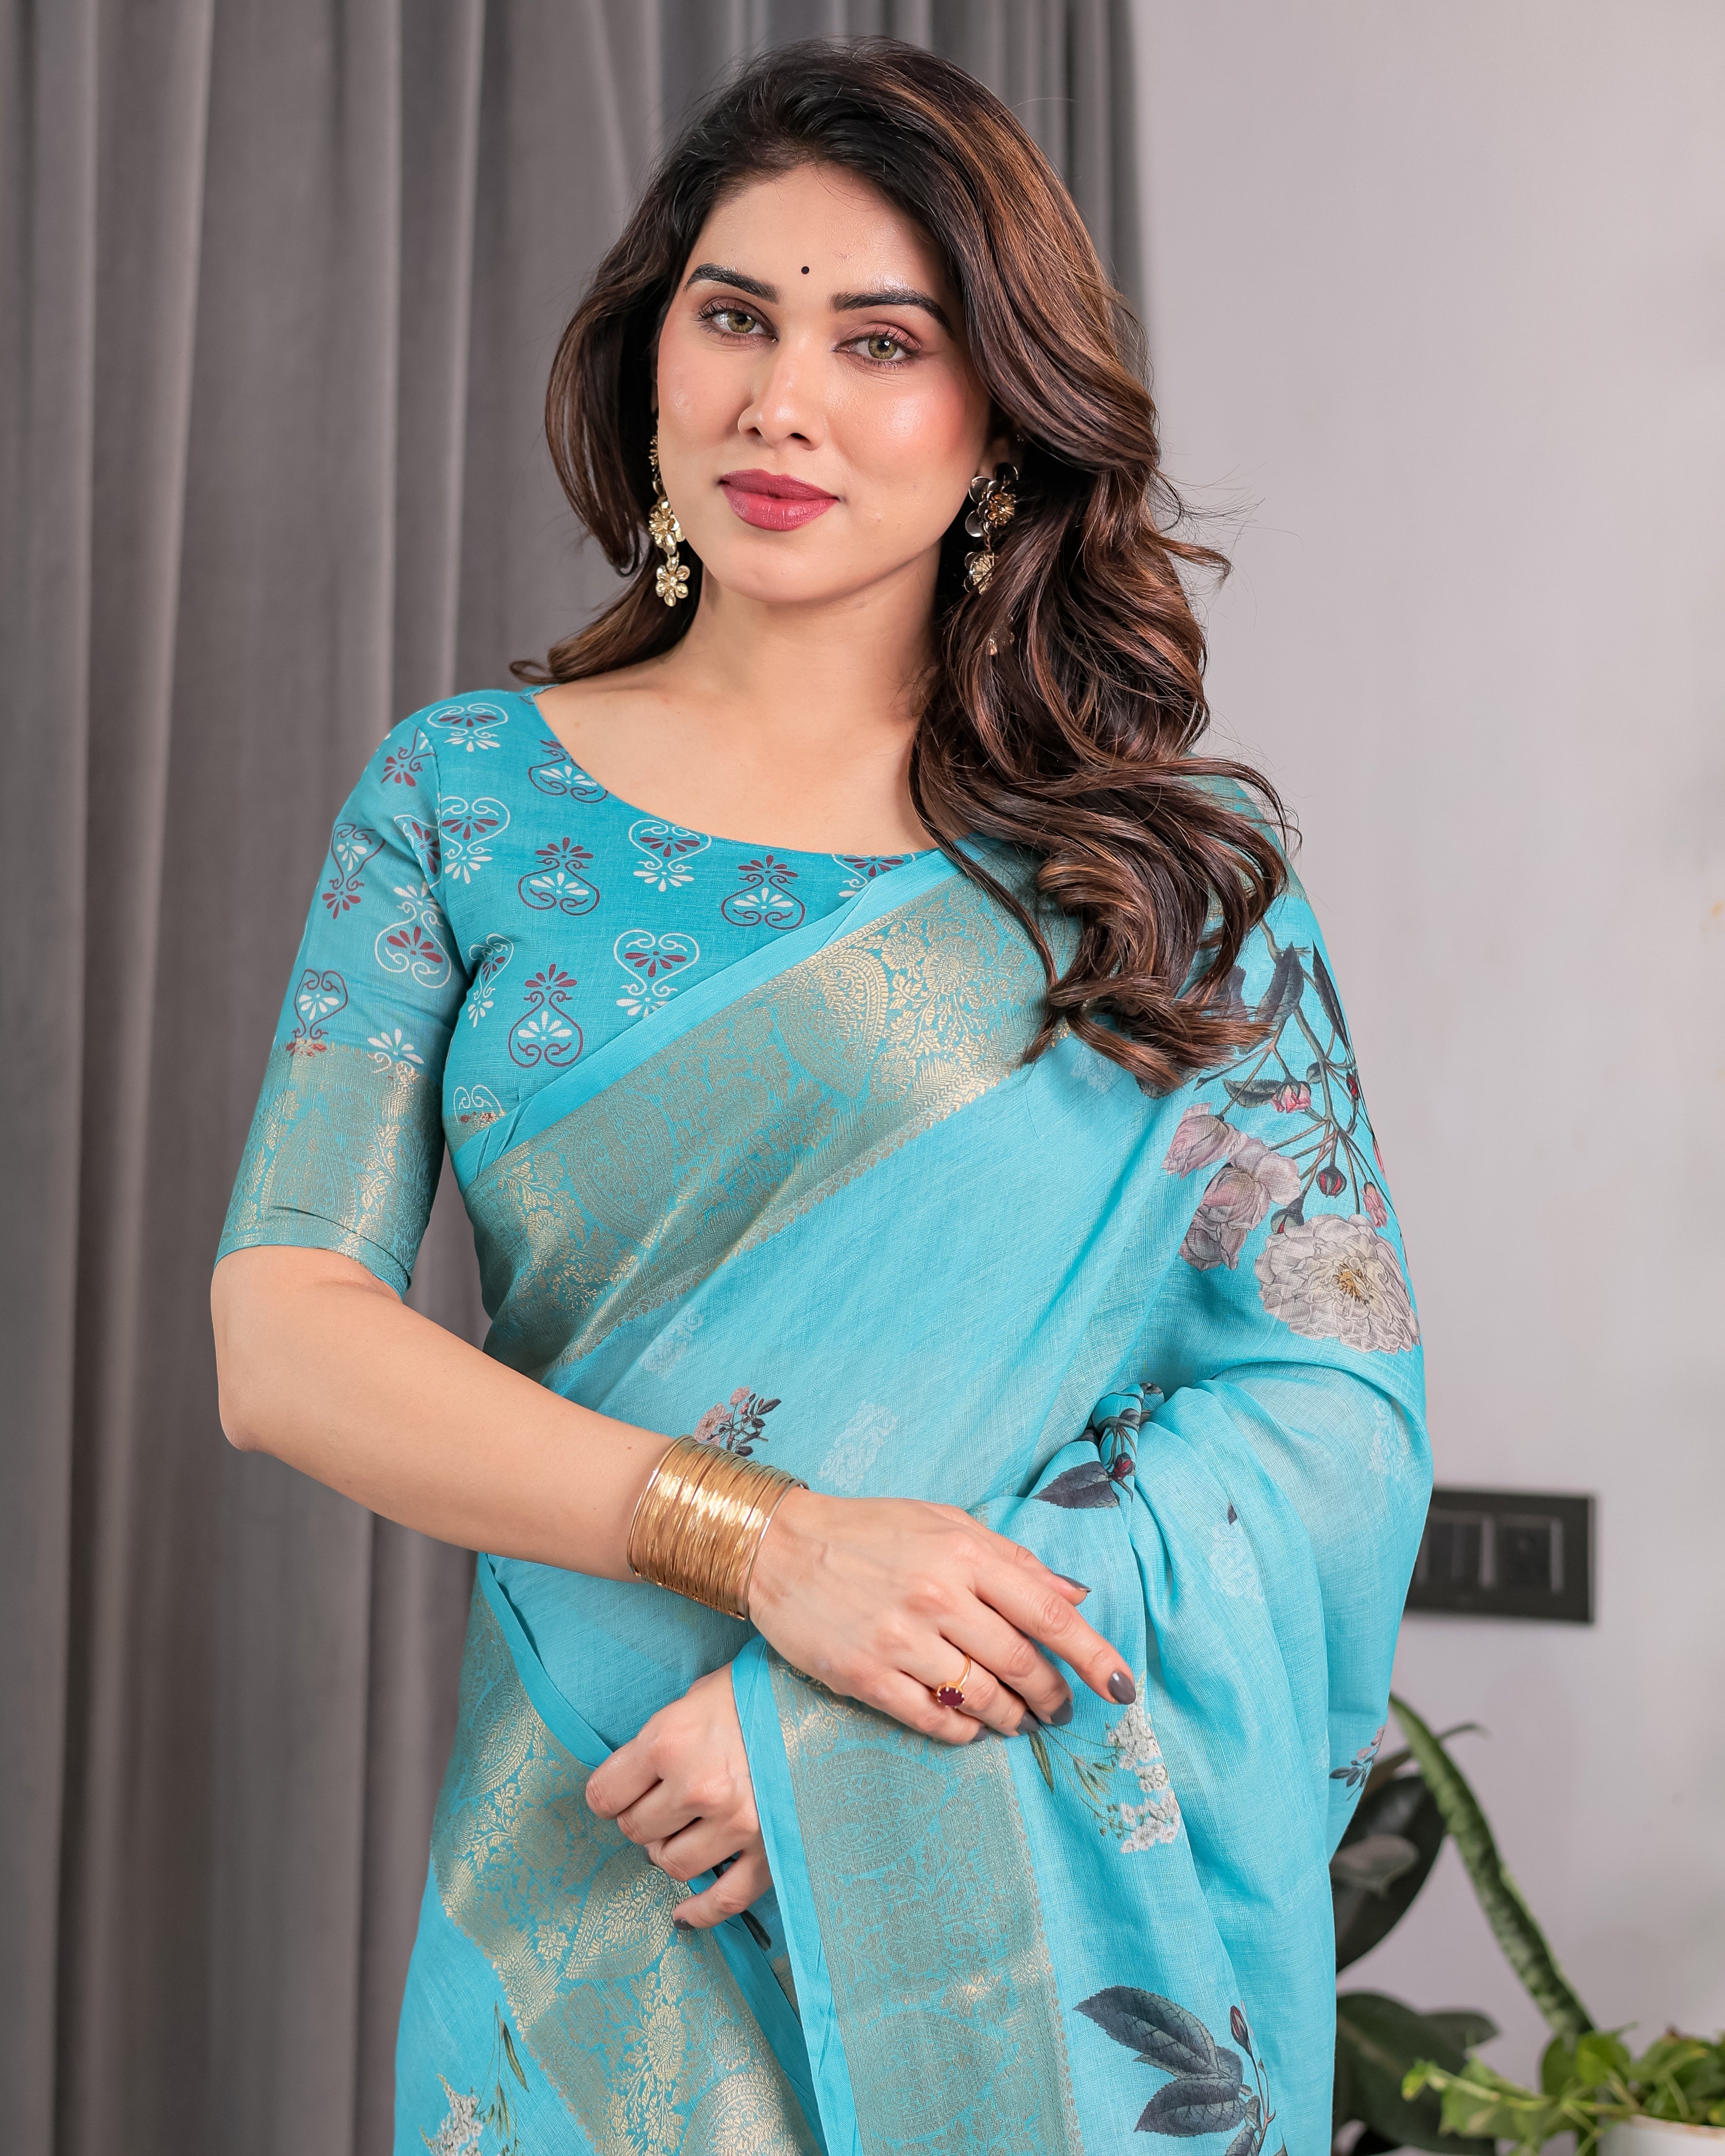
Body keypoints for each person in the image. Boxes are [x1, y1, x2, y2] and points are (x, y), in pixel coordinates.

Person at [211, 39, 1430, 2156]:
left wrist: (825, 1730)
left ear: (998, 423)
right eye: (735, 317)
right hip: (596, 1860)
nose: (784, 401)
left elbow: (1325, 1426)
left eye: (882, 341)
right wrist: (766, 1543)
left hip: (958, 1853)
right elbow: (281, 1330)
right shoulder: (463, 799)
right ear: (650, 359)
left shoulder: (1160, 879)